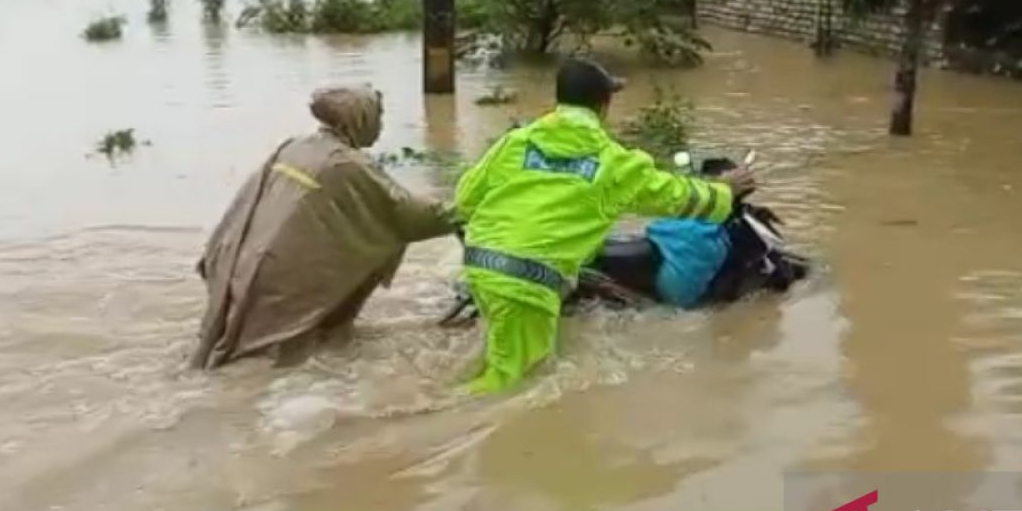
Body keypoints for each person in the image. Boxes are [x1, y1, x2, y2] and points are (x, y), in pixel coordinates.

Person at [455, 57, 759, 393]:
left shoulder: (515, 143)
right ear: (605, 105)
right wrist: (725, 191)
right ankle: (434, 429)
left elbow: (465, 198)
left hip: (480, 264)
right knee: (511, 387)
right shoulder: (613, 163)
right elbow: (677, 196)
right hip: (526, 278)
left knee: (502, 357)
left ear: (558, 100)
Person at [192, 85, 455, 369]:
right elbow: (402, 213)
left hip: (243, 257)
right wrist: (462, 210)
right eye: (378, 115)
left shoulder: (296, 146)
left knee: (235, 350)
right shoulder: (346, 164)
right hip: (279, 271)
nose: (380, 125)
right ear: (360, 117)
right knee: (269, 363)